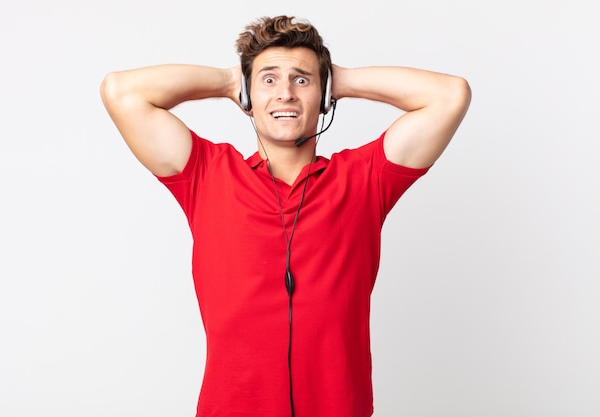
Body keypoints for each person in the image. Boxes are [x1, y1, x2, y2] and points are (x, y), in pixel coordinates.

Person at [100, 15, 470, 417]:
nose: (286, 94)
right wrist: (229, 80)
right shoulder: (207, 173)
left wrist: (337, 80)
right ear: (248, 96)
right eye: (269, 80)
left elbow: (450, 95)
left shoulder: (364, 179)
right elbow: (121, 91)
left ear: (323, 97)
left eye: (302, 80)